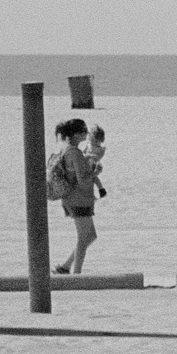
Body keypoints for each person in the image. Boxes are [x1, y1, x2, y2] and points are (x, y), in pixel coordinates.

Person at [47, 117, 104, 273]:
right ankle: (76, 274)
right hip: (78, 200)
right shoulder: (75, 153)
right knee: (84, 238)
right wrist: (96, 172)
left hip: (73, 199)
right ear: (77, 134)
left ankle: (65, 267)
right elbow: (84, 181)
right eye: (84, 131)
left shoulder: (66, 150)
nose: (87, 134)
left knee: (90, 236)